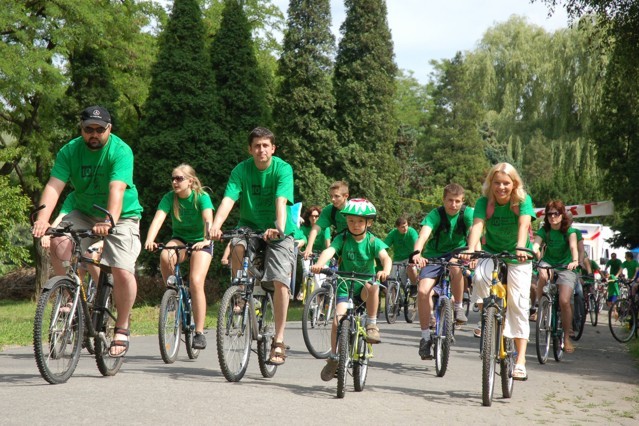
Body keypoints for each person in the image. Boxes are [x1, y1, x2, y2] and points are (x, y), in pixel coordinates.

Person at [31, 105, 143, 358]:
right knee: (59, 240)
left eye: (99, 130)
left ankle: (122, 327)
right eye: (88, 129)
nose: (94, 134)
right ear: (81, 129)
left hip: (121, 214)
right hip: (83, 211)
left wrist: (109, 220)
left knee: (122, 270)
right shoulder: (69, 151)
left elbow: (116, 189)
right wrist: (42, 220)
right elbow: (54, 186)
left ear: (109, 129)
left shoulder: (120, 151)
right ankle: (69, 295)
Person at [209, 127, 296, 365]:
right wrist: (215, 226)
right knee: (237, 245)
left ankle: (279, 340)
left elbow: (281, 200)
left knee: (280, 282)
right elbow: (228, 199)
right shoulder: (241, 170)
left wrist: (278, 227)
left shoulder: (283, 169)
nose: (261, 150)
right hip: (249, 226)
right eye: (257, 146)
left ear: (273, 148)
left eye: (266, 145)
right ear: (250, 149)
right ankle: (240, 294)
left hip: (278, 231)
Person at [462, 162, 535, 381]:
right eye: (497, 183)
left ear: (514, 184)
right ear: (490, 183)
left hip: (518, 256)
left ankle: (520, 360)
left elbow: (523, 225)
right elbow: (478, 225)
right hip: (492, 251)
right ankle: (488, 318)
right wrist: (470, 248)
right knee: (479, 276)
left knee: (518, 304)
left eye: (506, 183)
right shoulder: (484, 202)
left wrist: (521, 247)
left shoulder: (522, 200)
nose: (501, 187)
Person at [310, 199, 392, 381]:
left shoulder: (372, 241)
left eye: (360, 221)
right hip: (345, 286)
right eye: (351, 221)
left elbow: (386, 258)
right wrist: (319, 264)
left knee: (373, 285)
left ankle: (371, 324)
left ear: (369, 223)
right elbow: (329, 251)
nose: (355, 225)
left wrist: (385, 271)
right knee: (336, 321)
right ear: (346, 221)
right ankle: (333, 357)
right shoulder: (342, 238)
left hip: (364, 288)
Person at [144, 164, 214, 350]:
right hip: (181, 240)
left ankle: (199, 333)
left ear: (190, 181)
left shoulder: (201, 197)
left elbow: (208, 219)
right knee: (165, 255)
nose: (175, 182)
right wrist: (150, 239)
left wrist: (206, 240)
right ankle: (173, 292)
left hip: (201, 241)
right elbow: (158, 218)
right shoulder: (170, 198)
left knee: (196, 282)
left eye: (179, 178)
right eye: (173, 178)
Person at [412, 183, 474, 360]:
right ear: (443, 200)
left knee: (455, 266)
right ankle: (425, 337)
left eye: (457, 201)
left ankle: (458, 307)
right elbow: (424, 234)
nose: (453, 205)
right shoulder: (436, 214)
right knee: (423, 291)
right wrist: (417, 252)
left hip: (458, 253)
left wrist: (472, 252)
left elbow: (473, 234)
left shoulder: (467, 214)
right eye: (450, 200)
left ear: (463, 201)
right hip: (434, 255)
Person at [532, 200, 579, 353]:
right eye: (549, 214)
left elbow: (573, 246)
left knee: (564, 301)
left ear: (562, 214)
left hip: (566, 266)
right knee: (543, 275)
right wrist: (534, 253)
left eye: (556, 213)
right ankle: (541, 306)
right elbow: (536, 245)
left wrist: (575, 261)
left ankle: (566, 338)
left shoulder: (569, 231)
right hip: (548, 263)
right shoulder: (544, 230)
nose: (552, 217)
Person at [303, 181, 349, 259]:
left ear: (346, 196)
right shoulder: (329, 210)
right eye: (331, 196)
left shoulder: (355, 209)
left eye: (336, 196)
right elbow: (315, 228)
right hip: (342, 244)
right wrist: (309, 247)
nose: (333, 199)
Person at [298, 205, 330, 300]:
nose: (314, 218)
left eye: (316, 216)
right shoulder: (304, 229)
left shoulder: (325, 229)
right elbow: (300, 244)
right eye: (311, 216)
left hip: (322, 257)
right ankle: (304, 289)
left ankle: (319, 303)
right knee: (307, 271)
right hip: (308, 256)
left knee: (319, 281)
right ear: (308, 217)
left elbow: (328, 245)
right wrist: (301, 252)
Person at [384, 216, 420, 287]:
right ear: (397, 227)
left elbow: (417, 244)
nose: (405, 228)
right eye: (402, 227)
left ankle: (414, 286)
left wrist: (416, 256)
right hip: (397, 260)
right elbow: (385, 247)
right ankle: (392, 294)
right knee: (391, 282)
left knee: (412, 268)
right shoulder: (393, 233)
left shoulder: (411, 232)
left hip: (410, 258)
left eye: (406, 225)